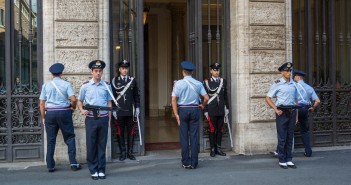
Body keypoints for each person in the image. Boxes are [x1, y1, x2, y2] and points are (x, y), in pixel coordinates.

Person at [39, 63, 81, 173]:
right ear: (61, 73)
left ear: (52, 74)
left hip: (51, 114)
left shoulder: (46, 85)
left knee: (51, 140)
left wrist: (43, 117)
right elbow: (73, 99)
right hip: (64, 112)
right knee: (70, 138)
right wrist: (73, 108)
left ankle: (50, 166)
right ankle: (73, 163)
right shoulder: (66, 84)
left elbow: (42, 104)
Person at [77, 60, 112, 180]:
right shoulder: (85, 86)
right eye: (96, 71)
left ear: (102, 72)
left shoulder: (107, 86)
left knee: (102, 145)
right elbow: (79, 101)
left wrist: (109, 119)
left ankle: (101, 169)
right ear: (91, 72)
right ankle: (93, 169)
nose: (98, 73)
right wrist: (82, 110)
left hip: (103, 118)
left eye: (100, 71)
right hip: (91, 119)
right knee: (91, 145)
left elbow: (109, 102)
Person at [171, 61, 209, 169]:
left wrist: (176, 114)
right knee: (194, 136)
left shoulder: (178, 84)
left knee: (184, 137)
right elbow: (206, 98)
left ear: (183, 72)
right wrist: (202, 105)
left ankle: (185, 162)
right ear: (192, 72)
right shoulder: (198, 83)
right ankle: (194, 162)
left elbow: (174, 99)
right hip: (194, 109)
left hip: (183, 110)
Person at [265, 62, 298, 169]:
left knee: (290, 136)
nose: (289, 73)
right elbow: (267, 98)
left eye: (290, 71)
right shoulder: (277, 83)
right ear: (282, 72)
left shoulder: (294, 83)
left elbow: (296, 99)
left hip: (292, 111)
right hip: (282, 112)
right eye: (287, 71)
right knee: (282, 136)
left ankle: (289, 159)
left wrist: (296, 115)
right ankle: (282, 159)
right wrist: (275, 109)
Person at [111, 59, 140, 161]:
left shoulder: (132, 80)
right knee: (120, 132)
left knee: (131, 132)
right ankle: (123, 152)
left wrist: (137, 107)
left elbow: (136, 95)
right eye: (123, 68)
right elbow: (113, 97)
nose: (124, 70)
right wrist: (113, 109)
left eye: (126, 68)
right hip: (119, 111)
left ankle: (130, 152)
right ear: (119, 69)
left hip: (130, 111)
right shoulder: (115, 81)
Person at [203, 62, 229, 157]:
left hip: (221, 109)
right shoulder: (207, 82)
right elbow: (205, 97)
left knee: (220, 129)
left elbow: (225, 95)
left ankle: (218, 148)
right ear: (211, 71)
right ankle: (213, 149)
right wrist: (205, 110)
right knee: (212, 129)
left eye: (218, 70)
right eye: (215, 70)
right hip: (212, 109)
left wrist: (227, 107)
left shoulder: (223, 81)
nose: (217, 72)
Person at [293, 69, 320, 157]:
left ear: (298, 77)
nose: (294, 78)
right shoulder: (309, 87)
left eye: (295, 76)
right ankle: (308, 151)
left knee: (289, 130)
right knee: (305, 131)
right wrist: (312, 107)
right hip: (305, 109)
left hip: (296, 109)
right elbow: (317, 101)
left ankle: (285, 151)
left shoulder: (294, 86)